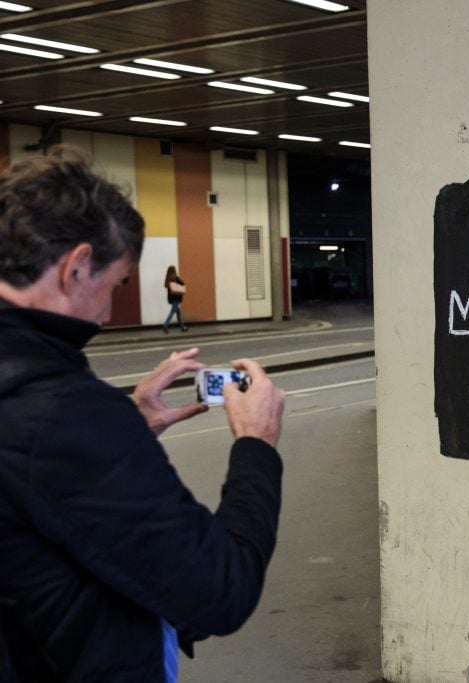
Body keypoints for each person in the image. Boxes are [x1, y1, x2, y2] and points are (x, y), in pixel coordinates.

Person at [0, 146, 287, 682]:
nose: (108, 312)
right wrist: (256, 444)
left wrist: (127, 427)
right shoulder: (68, 415)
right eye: (116, 283)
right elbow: (220, 589)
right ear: (77, 265)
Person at [163, 264, 188, 333]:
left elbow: (167, 288)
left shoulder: (168, 279)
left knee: (178, 313)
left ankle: (182, 327)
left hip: (171, 298)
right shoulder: (175, 278)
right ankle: (165, 325)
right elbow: (183, 283)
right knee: (172, 312)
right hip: (176, 298)